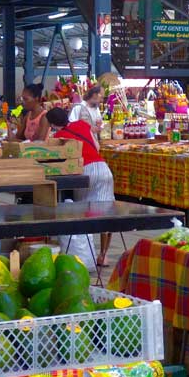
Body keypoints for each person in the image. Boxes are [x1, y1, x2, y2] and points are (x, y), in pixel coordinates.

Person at [46, 108, 115, 268]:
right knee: (107, 213)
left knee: (84, 212)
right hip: (104, 169)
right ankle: (103, 255)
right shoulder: (82, 125)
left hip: (85, 172)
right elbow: (96, 146)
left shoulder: (59, 137)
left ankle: (85, 254)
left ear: (53, 125)